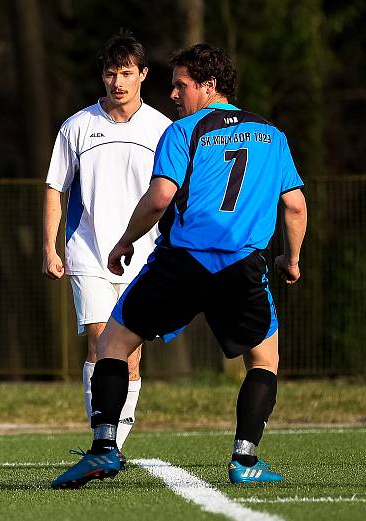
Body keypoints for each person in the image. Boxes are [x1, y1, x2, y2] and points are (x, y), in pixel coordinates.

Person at [52, 43, 307, 489]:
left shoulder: (183, 131)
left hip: (183, 262)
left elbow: (161, 198)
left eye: (181, 85)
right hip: (242, 266)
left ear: (210, 86)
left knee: (112, 344)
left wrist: (124, 241)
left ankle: (104, 449)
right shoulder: (273, 134)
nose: (173, 94)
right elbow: (296, 206)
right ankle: (245, 460)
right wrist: (292, 258)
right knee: (265, 361)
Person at [42, 30, 171, 464]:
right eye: (111, 73)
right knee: (99, 343)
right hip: (88, 252)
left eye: (126, 73)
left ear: (143, 75)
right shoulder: (76, 127)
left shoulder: (163, 129)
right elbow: (54, 188)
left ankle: (114, 445)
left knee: (130, 355)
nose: (117, 81)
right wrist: (50, 247)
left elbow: (177, 194)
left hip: (146, 257)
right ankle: (102, 437)